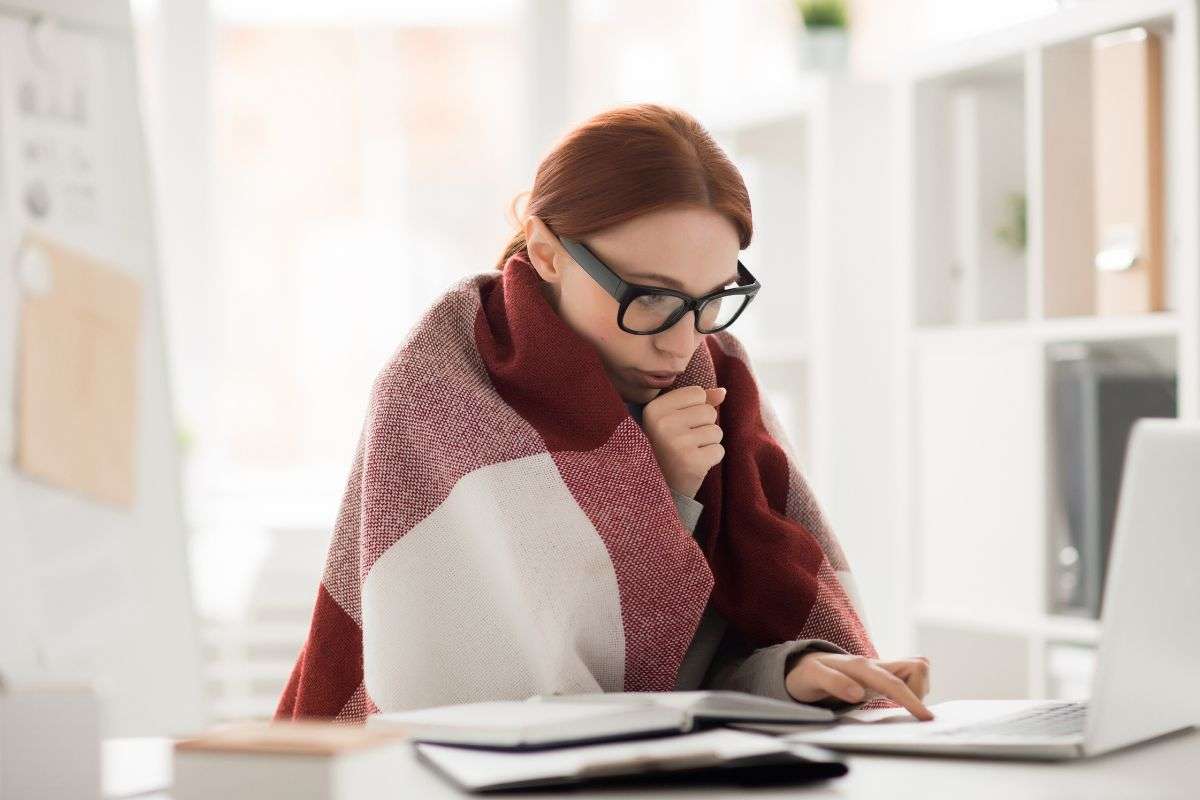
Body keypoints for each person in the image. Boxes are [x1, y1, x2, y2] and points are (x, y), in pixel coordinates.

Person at [276, 103, 931, 724]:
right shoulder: (441, 388)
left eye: (711, 300)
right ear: (547, 251)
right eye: (651, 298)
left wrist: (795, 673)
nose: (681, 343)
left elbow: (688, 678)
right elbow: (521, 688)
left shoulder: (720, 375)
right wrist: (660, 487)